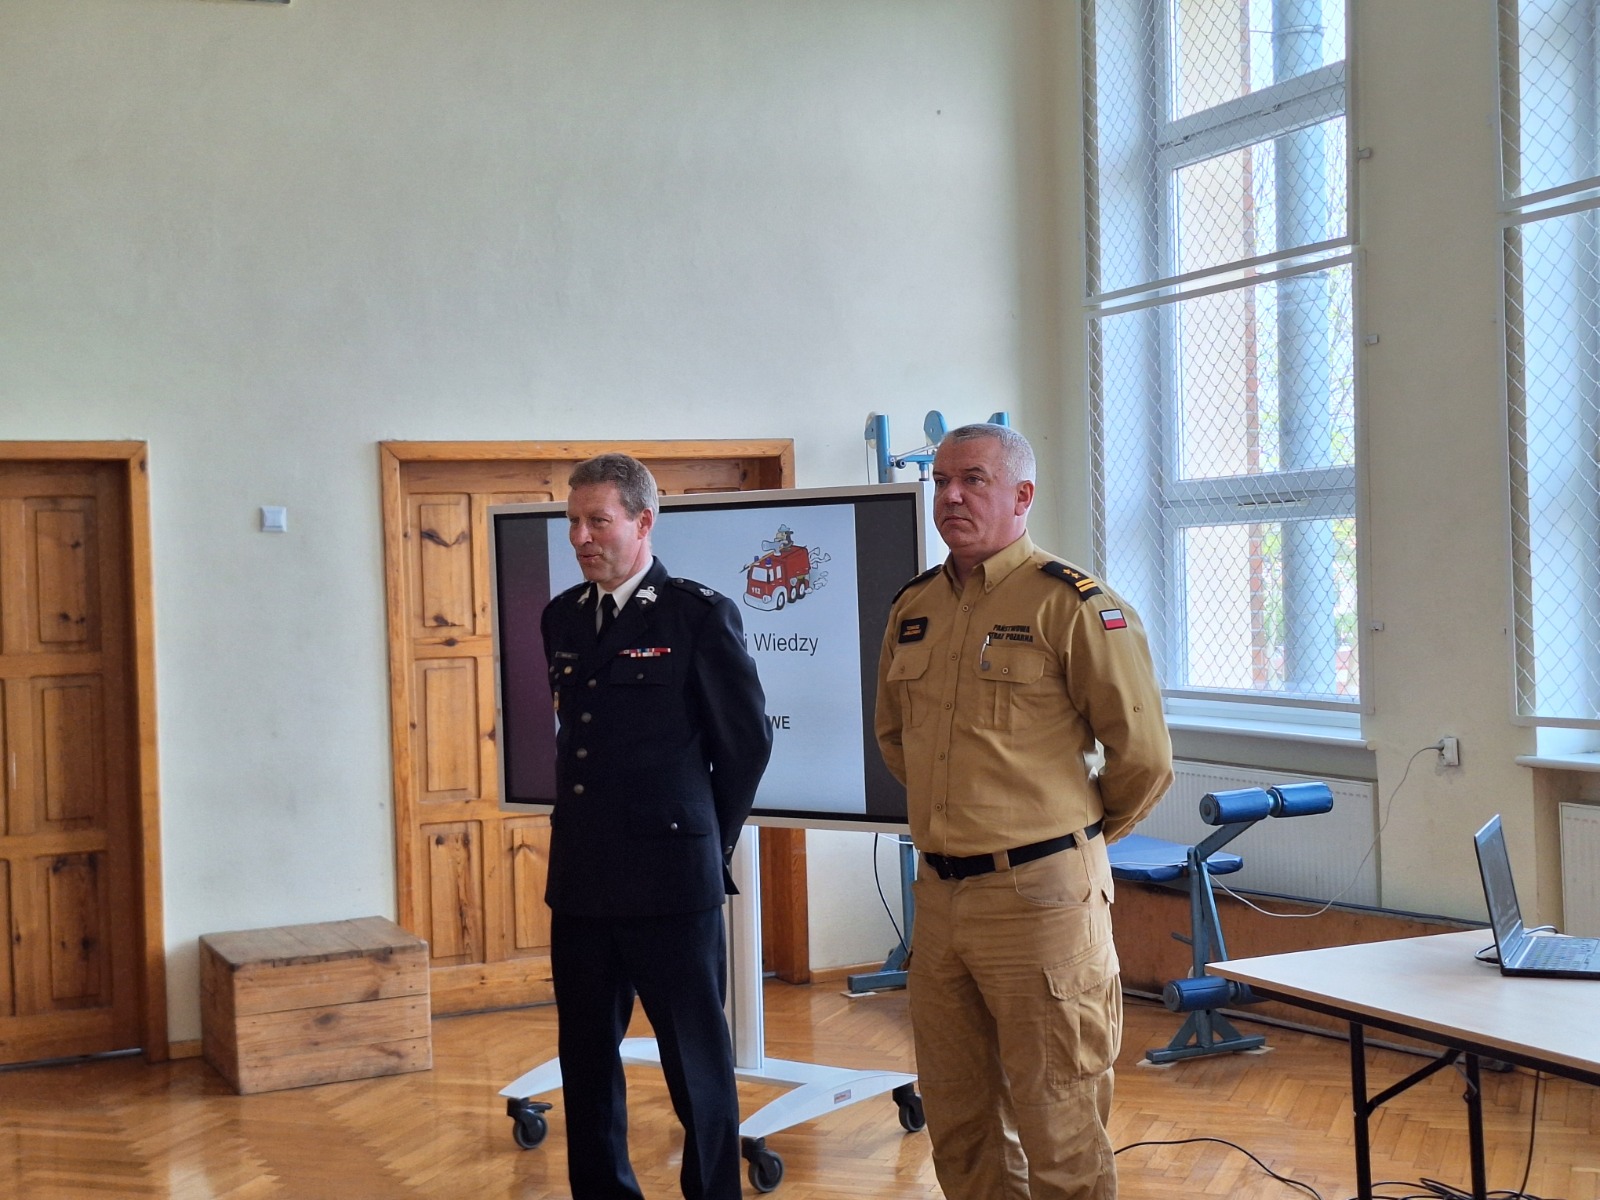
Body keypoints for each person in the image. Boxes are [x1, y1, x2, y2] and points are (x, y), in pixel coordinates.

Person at [874, 423, 1172, 1200]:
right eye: (941, 481)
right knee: (960, 1122)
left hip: (1042, 903)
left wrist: (1072, 840)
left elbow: (1143, 757)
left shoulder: (1071, 605)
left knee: (1060, 1123)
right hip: (941, 900)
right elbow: (895, 739)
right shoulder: (914, 606)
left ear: (1022, 495)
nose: (951, 496)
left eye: (972, 479)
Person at [541, 453, 772, 1200]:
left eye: (597, 521)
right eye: (573, 521)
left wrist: (706, 841)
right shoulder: (562, 617)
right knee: (585, 1060)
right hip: (582, 879)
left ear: (643, 522)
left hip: (671, 881)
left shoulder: (696, 615)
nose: (580, 537)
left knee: (695, 1065)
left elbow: (745, 746)